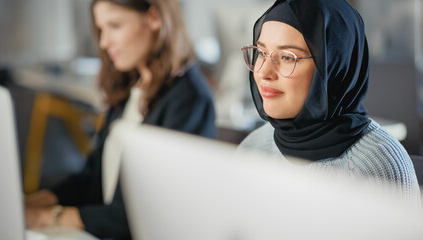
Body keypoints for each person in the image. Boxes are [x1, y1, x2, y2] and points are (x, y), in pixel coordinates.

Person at [25, 0, 217, 239]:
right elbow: (92, 177)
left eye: (114, 26)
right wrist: (35, 202)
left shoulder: (189, 99)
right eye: (101, 30)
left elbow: (153, 211)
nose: (104, 42)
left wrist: (49, 216)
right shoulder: (129, 87)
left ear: (154, 19)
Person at [237, 0, 420, 202]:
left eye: (287, 57)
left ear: (334, 67)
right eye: (261, 53)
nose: (263, 72)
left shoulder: (378, 167)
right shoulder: (252, 148)